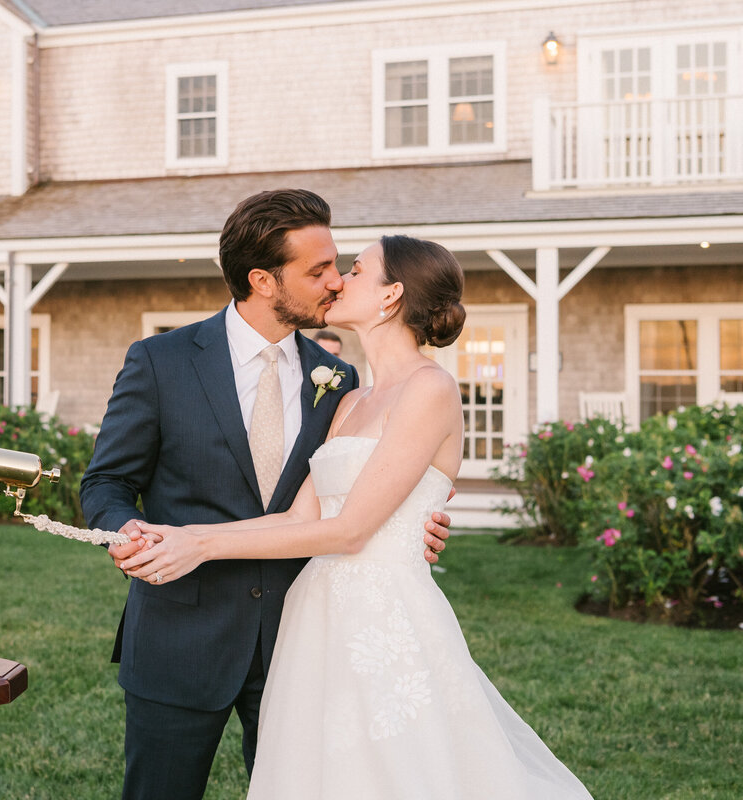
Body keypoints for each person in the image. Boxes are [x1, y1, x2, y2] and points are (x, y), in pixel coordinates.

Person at [121, 235, 594, 799]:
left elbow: (349, 531)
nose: (339, 280)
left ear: (391, 294)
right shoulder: (348, 397)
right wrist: (184, 535)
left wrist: (201, 548)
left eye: (354, 269)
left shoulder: (431, 388)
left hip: (385, 617)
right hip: (316, 618)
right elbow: (297, 519)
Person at [80, 191, 453, 800]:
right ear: (262, 279)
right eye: (317, 271)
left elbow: (359, 497)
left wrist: (415, 523)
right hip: (181, 635)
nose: (334, 283)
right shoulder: (160, 361)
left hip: (303, 637)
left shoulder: (342, 382)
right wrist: (130, 534)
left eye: (340, 266)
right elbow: (105, 483)